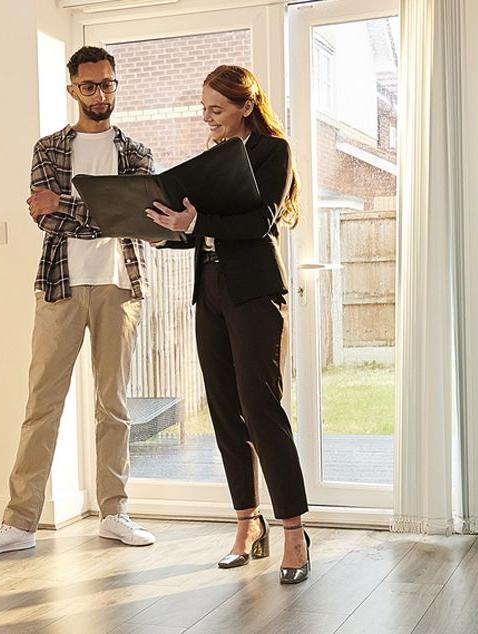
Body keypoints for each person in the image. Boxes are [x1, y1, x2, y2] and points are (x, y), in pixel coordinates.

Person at [0, 45, 158, 560]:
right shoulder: (48, 149)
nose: (100, 93)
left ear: (116, 85)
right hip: (60, 286)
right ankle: (20, 521)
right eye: (89, 85)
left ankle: (114, 512)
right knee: (41, 405)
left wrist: (73, 205)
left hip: (120, 286)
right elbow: (44, 217)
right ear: (73, 90)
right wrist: (104, 209)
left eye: (108, 83)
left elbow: (135, 219)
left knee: (114, 407)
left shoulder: (135, 151)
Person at [145, 65, 311, 584]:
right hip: (210, 292)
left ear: (245, 105)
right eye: (204, 109)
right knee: (223, 411)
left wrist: (195, 223)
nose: (208, 118)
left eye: (216, 110)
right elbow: (202, 228)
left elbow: (259, 221)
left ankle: (293, 533)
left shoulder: (272, 151)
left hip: (255, 292)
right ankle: (246, 525)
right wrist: (167, 232)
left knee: (261, 409)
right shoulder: (214, 159)